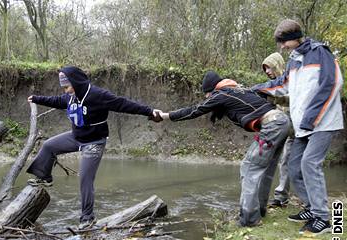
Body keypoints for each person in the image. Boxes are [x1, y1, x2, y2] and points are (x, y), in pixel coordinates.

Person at [26, 66, 162, 228]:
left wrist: (149, 112)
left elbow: (124, 104)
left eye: (67, 87)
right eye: (64, 88)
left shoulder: (98, 95)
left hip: (94, 143)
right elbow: (56, 101)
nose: (66, 91)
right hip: (76, 137)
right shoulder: (70, 97)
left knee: (85, 178)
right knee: (49, 146)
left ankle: (87, 218)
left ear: (76, 83)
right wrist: (36, 99)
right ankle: (45, 177)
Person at [159, 71, 290, 227]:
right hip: (282, 122)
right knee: (265, 169)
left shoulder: (221, 94)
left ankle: (249, 219)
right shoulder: (237, 90)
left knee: (249, 167)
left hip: (273, 125)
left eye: (207, 94)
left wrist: (165, 116)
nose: (207, 98)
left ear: (212, 89)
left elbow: (195, 110)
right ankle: (259, 210)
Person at [252, 19, 344, 234]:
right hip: (303, 125)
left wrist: (312, 117)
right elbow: (281, 85)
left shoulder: (320, 52)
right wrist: (253, 89)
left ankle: (324, 219)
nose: (282, 47)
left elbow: (332, 84)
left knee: (310, 164)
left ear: (294, 38)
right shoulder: (294, 60)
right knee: (294, 167)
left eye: (284, 43)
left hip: (322, 122)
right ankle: (311, 207)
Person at [262, 52, 293, 208]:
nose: (267, 72)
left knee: (287, 161)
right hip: (280, 129)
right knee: (272, 159)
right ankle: (269, 197)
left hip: (296, 130)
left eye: (269, 68)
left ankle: (281, 198)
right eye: (265, 69)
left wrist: (276, 98)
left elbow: (295, 100)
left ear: (277, 65)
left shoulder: (291, 80)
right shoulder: (273, 85)